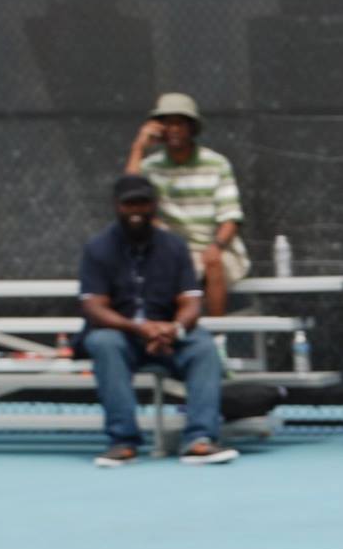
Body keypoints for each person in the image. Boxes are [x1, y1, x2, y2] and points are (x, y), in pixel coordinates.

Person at [78, 175, 233, 467]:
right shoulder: (98, 248)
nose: (136, 210)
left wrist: (174, 328)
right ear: (116, 205)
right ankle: (123, 442)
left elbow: (191, 302)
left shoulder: (175, 246)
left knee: (203, 347)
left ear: (155, 205)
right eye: (129, 204)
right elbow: (93, 307)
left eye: (143, 203)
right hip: (122, 334)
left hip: (168, 335)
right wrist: (138, 328)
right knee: (103, 342)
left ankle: (200, 439)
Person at [125, 93, 248, 319]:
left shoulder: (217, 164)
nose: (173, 129)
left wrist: (216, 247)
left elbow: (231, 218)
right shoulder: (151, 166)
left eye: (179, 123)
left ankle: (216, 334)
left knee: (214, 263)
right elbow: (129, 195)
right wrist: (138, 147)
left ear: (191, 127)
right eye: (167, 123)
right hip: (170, 249)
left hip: (215, 247)